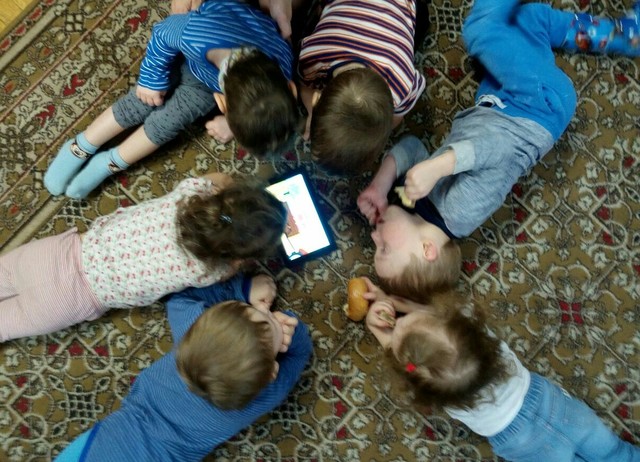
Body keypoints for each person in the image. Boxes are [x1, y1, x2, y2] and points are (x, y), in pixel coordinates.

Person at [357, 0, 640, 300]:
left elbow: (413, 147)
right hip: (537, 108)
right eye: (383, 248)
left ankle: (623, 35)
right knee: (482, 31)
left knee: (528, 21)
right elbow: (497, 151)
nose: (374, 236)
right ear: (428, 250)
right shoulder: (458, 214)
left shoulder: (417, 207)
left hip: (499, 101)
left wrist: (381, 185)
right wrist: (437, 168)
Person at [44, 0, 300, 199]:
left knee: (168, 122)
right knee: (139, 102)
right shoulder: (196, 34)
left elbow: (261, 102)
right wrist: (151, 80)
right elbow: (164, 32)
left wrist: (232, 123)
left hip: (213, 78)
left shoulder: (283, 65)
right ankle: (79, 146)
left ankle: (109, 163)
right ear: (221, 104)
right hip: (190, 55)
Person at [363, 281, 640, 462]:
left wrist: (379, 330)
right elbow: (438, 320)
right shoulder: (481, 336)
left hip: (520, 442)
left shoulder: (437, 390)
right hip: (554, 405)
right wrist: (396, 303)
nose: (398, 322)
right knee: (614, 452)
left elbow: (411, 365)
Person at [54, 273, 313, 461]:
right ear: (272, 373)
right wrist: (289, 326)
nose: (265, 309)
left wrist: (243, 290)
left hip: (104, 445)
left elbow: (183, 293)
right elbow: (300, 353)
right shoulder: (264, 394)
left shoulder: (190, 326)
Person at [0, 172, 287, 342]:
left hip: (57, 254)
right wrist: (237, 263)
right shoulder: (207, 271)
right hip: (73, 299)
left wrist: (231, 193)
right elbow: (230, 271)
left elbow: (219, 178)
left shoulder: (188, 194)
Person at [297, 0, 427, 174]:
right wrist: (312, 112)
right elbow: (304, 86)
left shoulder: (404, 85)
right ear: (316, 99)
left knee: (423, 21)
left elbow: (396, 118)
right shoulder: (312, 58)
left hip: (400, 7)